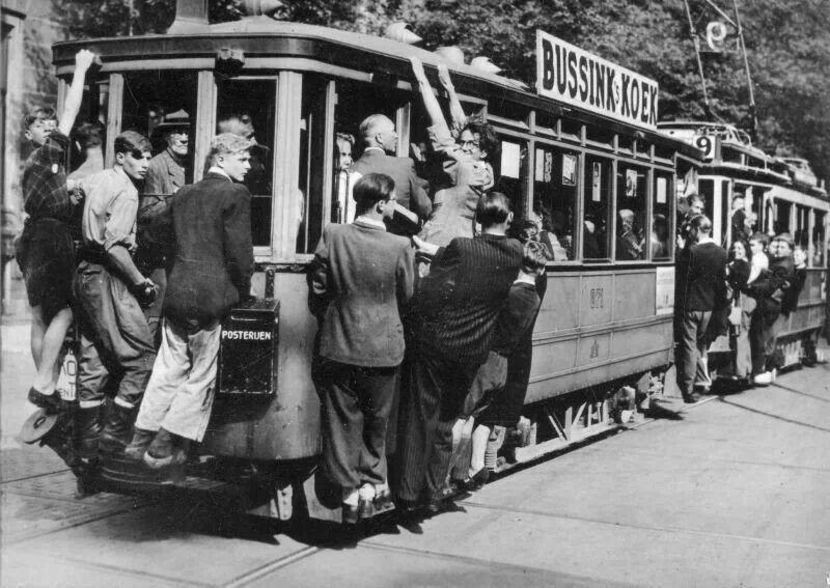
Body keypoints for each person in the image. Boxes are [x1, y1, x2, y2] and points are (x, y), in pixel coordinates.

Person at [125, 133, 254, 467]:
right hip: (212, 303)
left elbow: (153, 233)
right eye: (244, 159)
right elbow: (240, 257)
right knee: (200, 378)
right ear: (221, 159)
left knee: (167, 371)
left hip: (177, 296)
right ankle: (162, 447)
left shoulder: (185, 193)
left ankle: (138, 440)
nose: (249, 166)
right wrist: (242, 292)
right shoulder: (235, 194)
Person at [398, 192, 522, 513]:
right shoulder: (514, 253)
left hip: (437, 345)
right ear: (508, 220)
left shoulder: (462, 247)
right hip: (472, 351)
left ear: (476, 219)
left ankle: (409, 496)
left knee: (420, 416)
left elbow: (433, 290)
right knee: (447, 420)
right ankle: (434, 493)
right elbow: (477, 259)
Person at [308, 173, 415, 524]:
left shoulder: (333, 234)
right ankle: (371, 486)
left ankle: (348, 494)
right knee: (377, 420)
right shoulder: (400, 246)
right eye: (394, 200)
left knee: (341, 419)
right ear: (382, 204)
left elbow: (320, 286)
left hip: (339, 343)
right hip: (384, 348)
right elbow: (407, 295)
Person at [15, 49, 96, 413]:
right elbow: (71, 111)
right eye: (41, 124)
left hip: (31, 239)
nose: (50, 127)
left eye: (50, 123)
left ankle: (44, 387)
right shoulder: (48, 151)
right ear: (30, 133)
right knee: (64, 313)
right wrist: (79, 69)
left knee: (39, 316)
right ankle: (44, 381)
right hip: (51, 237)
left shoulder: (30, 164)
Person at [72, 131, 157, 460]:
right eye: (138, 157)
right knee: (142, 358)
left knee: (94, 359)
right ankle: (114, 437)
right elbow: (115, 247)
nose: (145, 165)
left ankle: (86, 444)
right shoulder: (127, 192)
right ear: (120, 156)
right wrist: (140, 282)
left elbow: (74, 193)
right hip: (108, 277)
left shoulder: (97, 179)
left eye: (149, 157)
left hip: (82, 274)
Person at [461, 238, 548, 488]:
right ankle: (477, 467)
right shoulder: (534, 296)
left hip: (488, 361)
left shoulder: (511, 292)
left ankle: (458, 473)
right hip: (506, 364)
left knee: (464, 416)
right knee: (485, 417)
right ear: (541, 269)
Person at [139, 111, 191, 344]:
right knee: (155, 320)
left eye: (188, 131)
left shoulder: (190, 163)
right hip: (162, 258)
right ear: (167, 136)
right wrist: (177, 201)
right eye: (178, 131)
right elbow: (146, 213)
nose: (184, 136)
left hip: (185, 255)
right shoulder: (156, 166)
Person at [674, 215, 728, 403]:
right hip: (709, 307)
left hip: (691, 306)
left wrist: (681, 249)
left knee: (690, 346)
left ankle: (689, 388)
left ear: (696, 229)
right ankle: (703, 379)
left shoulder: (692, 251)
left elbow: (682, 274)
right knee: (699, 344)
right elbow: (721, 284)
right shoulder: (721, 252)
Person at [351, 113, 432, 230]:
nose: (397, 136)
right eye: (393, 131)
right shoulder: (405, 165)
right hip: (400, 242)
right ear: (379, 138)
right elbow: (425, 207)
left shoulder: (353, 169)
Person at [746, 232, 796, 385]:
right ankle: (765, 369)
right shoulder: (781, 261)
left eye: (783, 247)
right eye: (778, 246)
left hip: (769, 306)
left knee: (761, 337)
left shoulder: (783, 266)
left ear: (790, 249)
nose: (778, 249)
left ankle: (761, 371)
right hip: (771, 304)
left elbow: (769, 286)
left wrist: (749, 287)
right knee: (765, 337)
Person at [333, 132, 359, 224]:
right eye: (343, 155)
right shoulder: (324, 177)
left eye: (349, 155)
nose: (348, 161)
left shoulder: (355, 178)